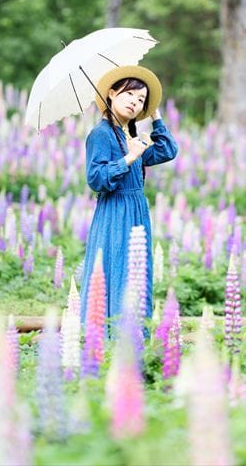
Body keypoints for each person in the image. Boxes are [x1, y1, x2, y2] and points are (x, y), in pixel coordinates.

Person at [79, 65, 178, 329]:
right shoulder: (100, 134)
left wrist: (155, 115)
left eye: (141, 100)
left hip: (136, 211)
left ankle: (135, 340)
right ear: (111, 93)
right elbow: (96, 178)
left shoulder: (131, 136)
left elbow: (168, 150)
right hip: (115, 211)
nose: (135, 102)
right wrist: (129, 158)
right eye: (130, 94)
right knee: (117, 270)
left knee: (136, 274)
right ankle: (109, 341)